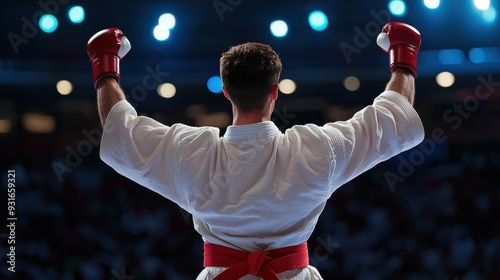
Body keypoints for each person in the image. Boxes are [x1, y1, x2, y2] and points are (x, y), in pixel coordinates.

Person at [87, 21, 424, 279]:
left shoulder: (191, 155)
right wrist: (403, 56)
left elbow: (121, 130)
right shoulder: (317, 150)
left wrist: (106, 64)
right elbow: (391, 117)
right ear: (275, 91)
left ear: (225, 91)